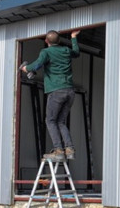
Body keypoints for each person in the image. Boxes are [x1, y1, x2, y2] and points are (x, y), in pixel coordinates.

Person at [22, 30, 81, 161]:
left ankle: (58, 150)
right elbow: (76, 53)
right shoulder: (66, 50)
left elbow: (36, 65)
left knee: (50, 121)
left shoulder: (46, 52)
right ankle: (69, 149)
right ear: (59, 41)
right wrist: (73, 37)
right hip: (70, 91)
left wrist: (26, 69)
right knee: (60, 121)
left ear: (46, 41)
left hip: (56, 91)